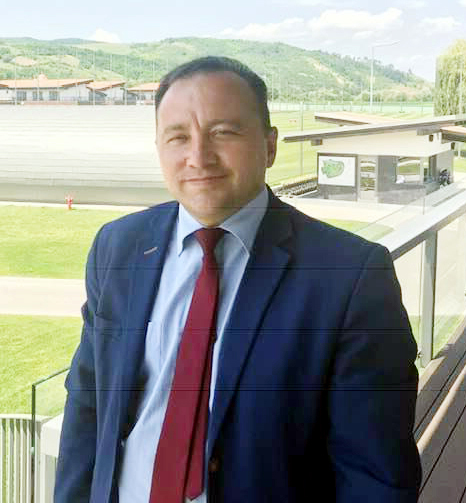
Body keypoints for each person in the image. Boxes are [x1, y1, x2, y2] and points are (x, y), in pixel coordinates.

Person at [55, 56, 422, 503]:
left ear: (270, 146)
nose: (198, 157)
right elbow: (88, 407)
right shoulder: (118, 247)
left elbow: (375, 475)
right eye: (178, 137)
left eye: (223, 132)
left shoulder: (350, 276)